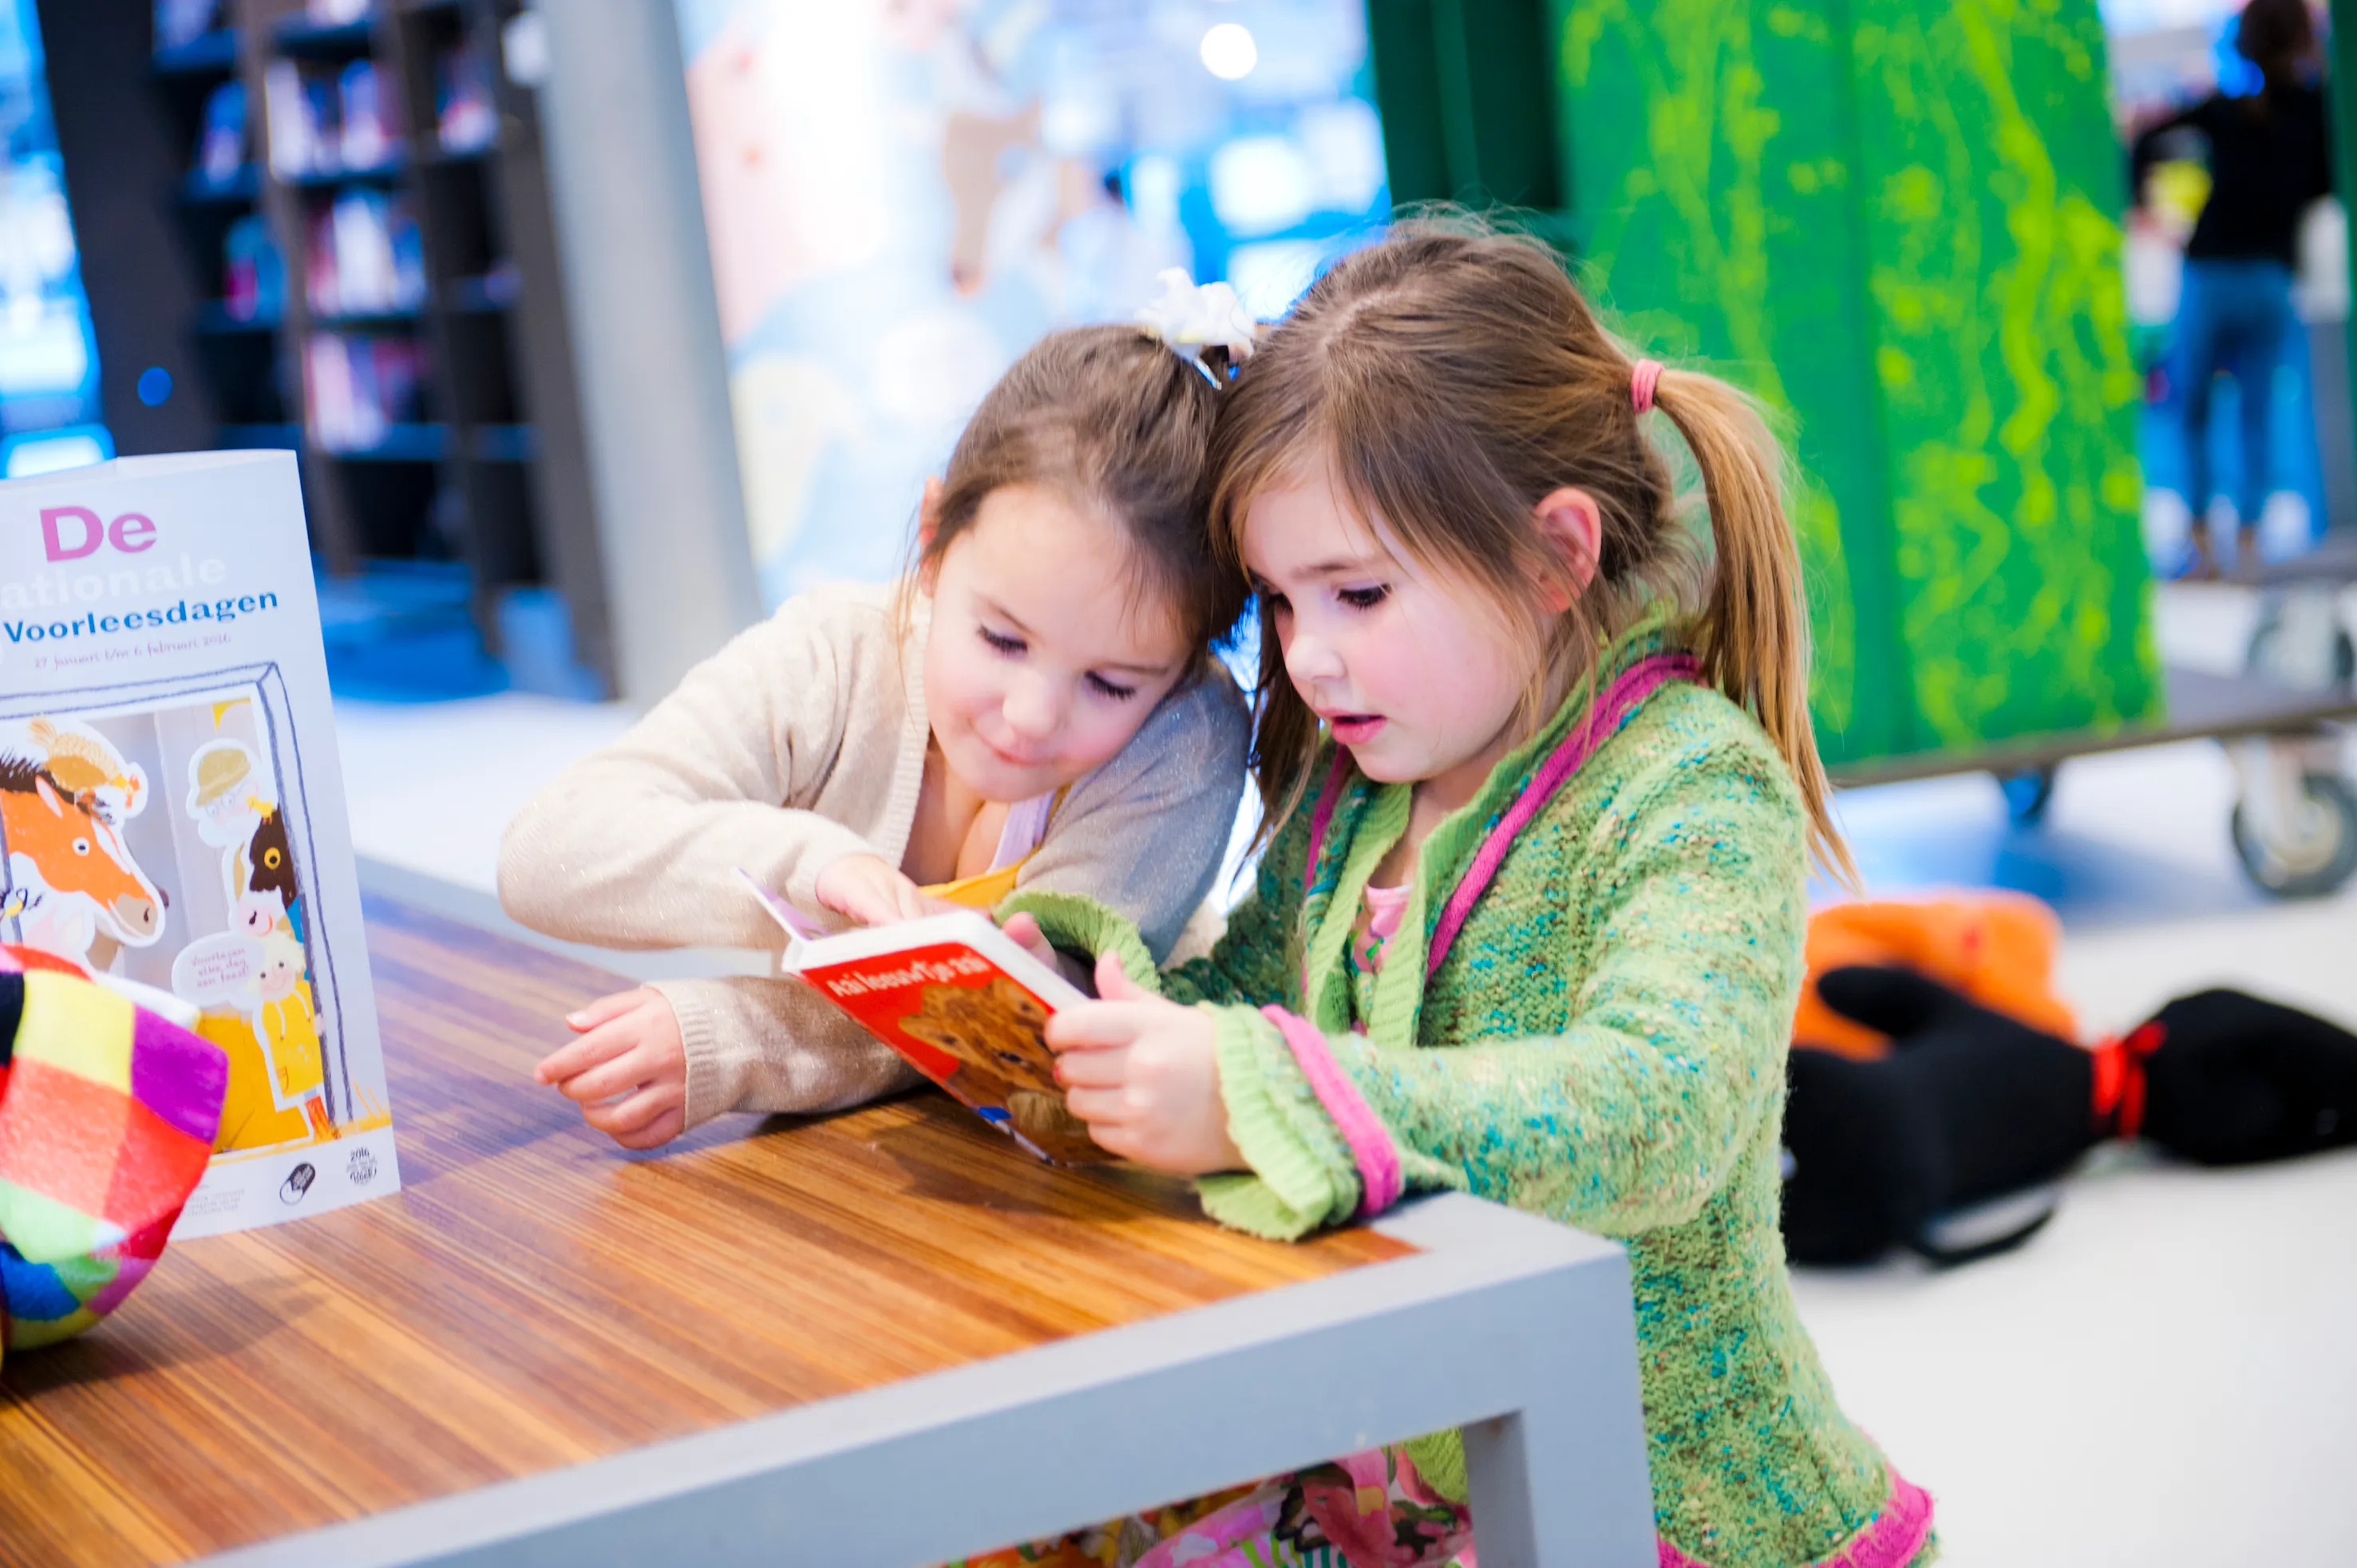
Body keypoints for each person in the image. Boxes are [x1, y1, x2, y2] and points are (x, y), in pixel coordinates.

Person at [992, 223, 1935, 1567]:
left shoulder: (1686, 789)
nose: (1308, 660)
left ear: (1554, 555)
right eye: (1275, 602)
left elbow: (1659, 1108)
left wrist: (1268, 1089)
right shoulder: (1358, 786)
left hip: (1665, 1517)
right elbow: (1249, 1002)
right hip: (1398, 1488)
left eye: (1358, 594)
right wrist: (1088, 1003)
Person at [498, 320, 1252, 1152]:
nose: (1031, 715)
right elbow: (547, 852)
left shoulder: (1185, 733)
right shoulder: (835, 654)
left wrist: (741, 1036)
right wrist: (816, 865)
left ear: (1183, 667)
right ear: (931, 542)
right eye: (1002, 640)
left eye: (1110, 684)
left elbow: (1022, 1015)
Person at [2132, 0, 2335, 578]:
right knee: (2255, 411)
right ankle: (2244, 543)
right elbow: (2323, 184)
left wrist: (2153, 210)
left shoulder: (2223, 109)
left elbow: (2146, 142)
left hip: (2212, 272)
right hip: (2269, 275)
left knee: (2190, 407)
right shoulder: (2314, 111)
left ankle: (2199, 545)